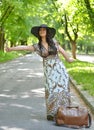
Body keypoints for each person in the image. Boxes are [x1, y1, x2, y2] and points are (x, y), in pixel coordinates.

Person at [6, 24, 74, 121]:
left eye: (43, 30)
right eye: (40, 30)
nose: (42, 31)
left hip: (59, 69)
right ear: (38, 33)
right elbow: (24, 47)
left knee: (62, 90)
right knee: (51, 90)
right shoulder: (37, 46)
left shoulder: (54, 42)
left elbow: (62, 51)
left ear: (47, 32)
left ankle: (64, 111)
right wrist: (11, 49)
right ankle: (52, 112)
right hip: (49, 71)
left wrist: (69, 59)